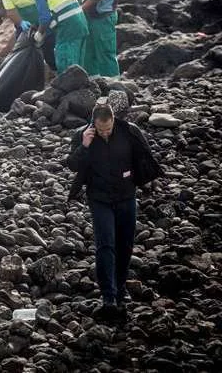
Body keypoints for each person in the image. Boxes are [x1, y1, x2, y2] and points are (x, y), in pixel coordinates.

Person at [66, 103, 163, 322]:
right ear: (94, 123)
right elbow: (72, 165)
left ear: (112, 120)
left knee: (125, 244)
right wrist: (85, 145)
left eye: (108, 129)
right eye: (101, 130)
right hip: (99, 199)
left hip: (126, 196)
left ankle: (120, 290)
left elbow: (145, 157)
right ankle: (108, 297)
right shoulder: (83, 135)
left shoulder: (129, 131)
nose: (105, 133)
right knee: (106, 244)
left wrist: (149, 182)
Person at [19, 0, 89, 74]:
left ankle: (69, 90)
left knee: (66, 65)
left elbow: (45, 17)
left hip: (68, 28)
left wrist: (39, 34)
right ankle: (82, 90)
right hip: (81, 22)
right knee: (79, 65)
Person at [0, 0, 56, 71]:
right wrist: (21, 23)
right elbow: (11, 11)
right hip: (25, 23)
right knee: (22, 50)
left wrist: (44, 24)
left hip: (44, 18)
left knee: (49, 45)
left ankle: (56, 71)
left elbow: (47, 2)